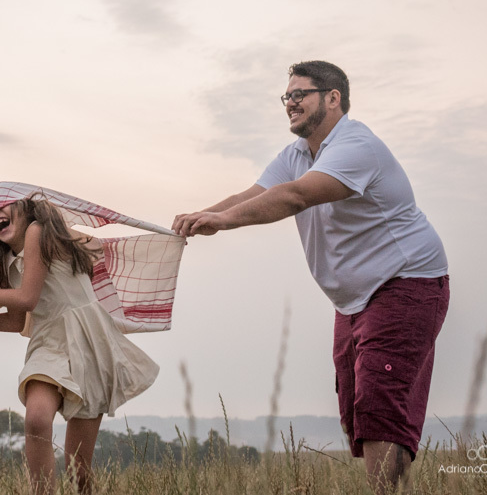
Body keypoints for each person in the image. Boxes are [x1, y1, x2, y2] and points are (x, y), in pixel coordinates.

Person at [172, 60, 448, 495]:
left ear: (333, 98)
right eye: (287, 96)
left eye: (300, 94)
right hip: (354, 300)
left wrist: (225, 221)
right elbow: (257, 193)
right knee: (356, 411)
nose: (290, 103)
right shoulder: (298, 153)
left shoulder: (356, 145)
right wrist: (209, 214)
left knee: (380, 404)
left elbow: (296, 196)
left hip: (405, 283)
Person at [0, 196, 159, 495]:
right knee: (36, 418)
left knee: (78, 471)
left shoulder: (38, 231)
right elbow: (16, 321)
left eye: (2, 207)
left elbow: (28, 298)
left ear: (25, 208)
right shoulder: (7, 261)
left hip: (88, 341)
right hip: (48, 342)